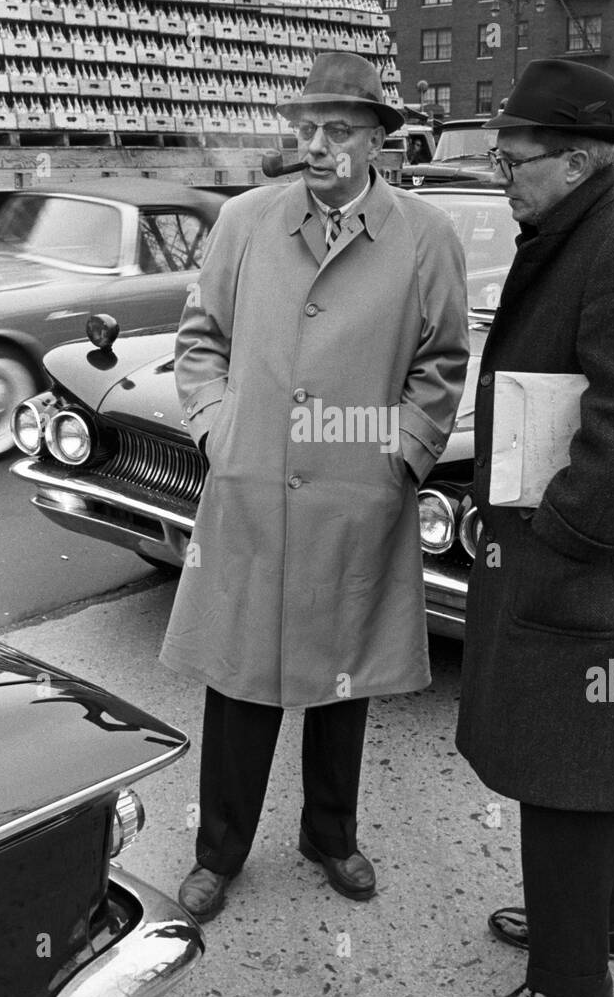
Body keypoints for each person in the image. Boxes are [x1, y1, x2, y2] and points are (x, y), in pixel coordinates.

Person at [161, 51, 469, 921]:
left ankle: (329, 835)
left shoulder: (425, 236)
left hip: (355, 491)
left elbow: (441, 360)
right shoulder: (246, 221)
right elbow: (199, 336)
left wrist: (400, 455)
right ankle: (218, 851)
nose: (318, 144)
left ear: (378, 139)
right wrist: (220, 429)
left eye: (338, 130)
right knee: (239, 676)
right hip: (253, 486)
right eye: (306, 129)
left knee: (344, 680)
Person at [456, 58, 614, 997]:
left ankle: (568, 983)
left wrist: (557, 531)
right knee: (590, 756)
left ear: (581, 159)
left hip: (584, 560)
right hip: (582, 558)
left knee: (563, 765)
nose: (501, 174)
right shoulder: (573, 229)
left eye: (516, 159)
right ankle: (600, 922)